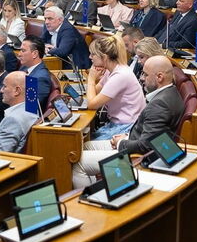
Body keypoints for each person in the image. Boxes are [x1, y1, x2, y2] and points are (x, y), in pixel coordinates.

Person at [72, 56, 184, 188]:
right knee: (86, 146)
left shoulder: (160, 104)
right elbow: (151, 134)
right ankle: (99, 188)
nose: (142, 78)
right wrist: (126, 137)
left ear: (159, 77)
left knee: (77, 161)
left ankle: (88, 200)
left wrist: (121, 143)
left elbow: (145, 147)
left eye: (145, 74)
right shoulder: (172, 93)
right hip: (133, 140)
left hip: (137, 156)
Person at [83, 35, 146, 140]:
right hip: (117, 124)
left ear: (104, 57)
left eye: (93, 54)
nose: (90, 57)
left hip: (126, 127)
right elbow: (96, 92)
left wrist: (91, 79)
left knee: (84, 146)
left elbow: (92, 104)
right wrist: (94, 81)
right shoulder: (112, 70)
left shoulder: (120, 75)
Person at [0, 71, 40, 153]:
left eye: (4, 86)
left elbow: (0, 156)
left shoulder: (13, 120)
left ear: (17, 91)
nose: (1, 90)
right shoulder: (32, 108)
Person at [18, 36, 52, 111]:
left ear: (35, 54)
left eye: (23, 51)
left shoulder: (40, 78)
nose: (19, 54)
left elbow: (31, 107)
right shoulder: (24, 67)